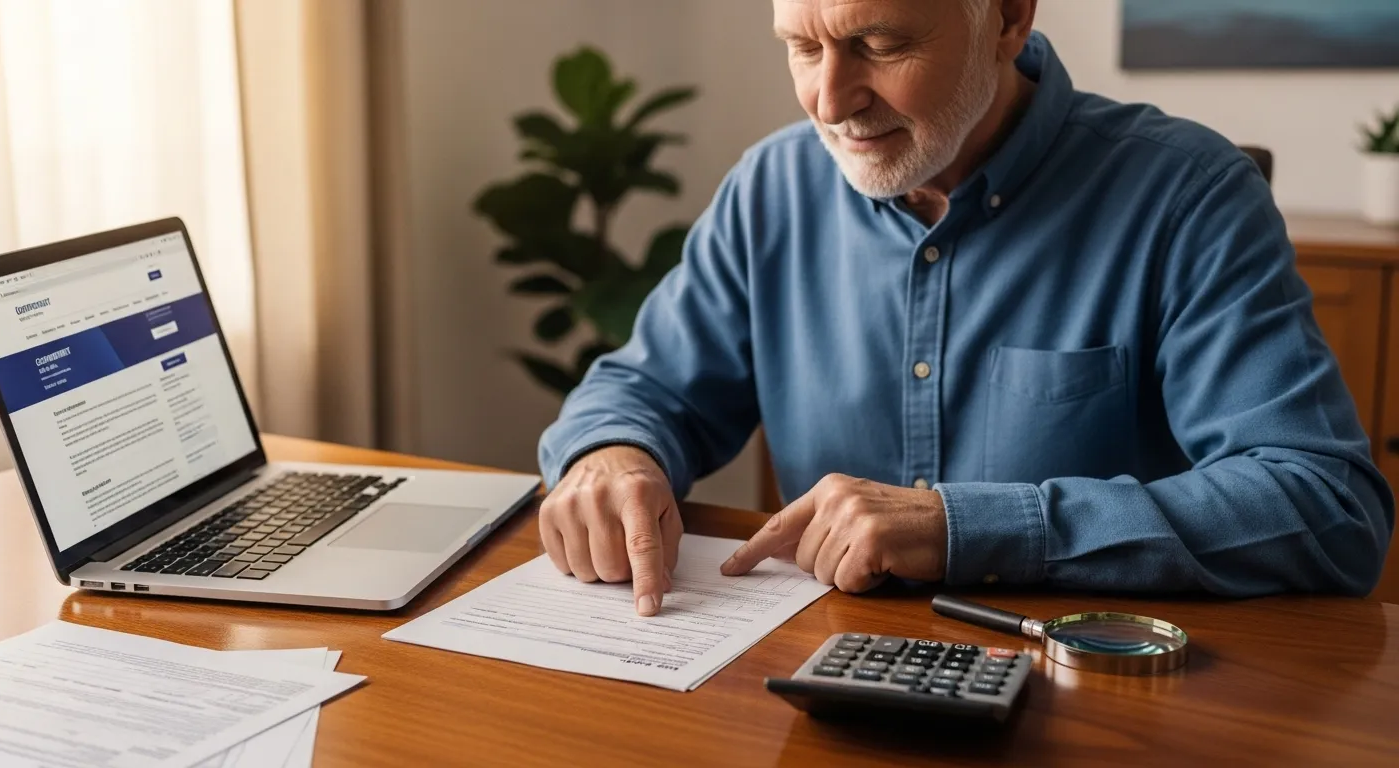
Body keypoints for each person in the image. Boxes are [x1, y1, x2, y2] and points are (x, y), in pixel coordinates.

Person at [535, 0, 1395, 616]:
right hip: (826, 684)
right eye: (802, 48)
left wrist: (974, 525)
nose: (829, 102)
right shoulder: (771, 187)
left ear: (1010, 19)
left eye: (875, 42)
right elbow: (647, 389)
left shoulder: (1190, 196)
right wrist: (612, 455)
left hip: (1098, 697)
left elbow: (1325, 506)